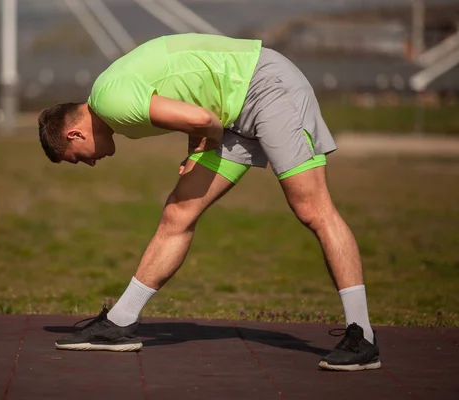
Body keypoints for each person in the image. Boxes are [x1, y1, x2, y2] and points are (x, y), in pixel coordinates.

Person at [37, 33, 380, 371]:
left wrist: (205, 144)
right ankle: (119, 323)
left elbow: (203, 120)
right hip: (231, 111)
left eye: (78, 158)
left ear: (75, 134)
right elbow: (194, 99)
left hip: (268, 88)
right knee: (178, 213)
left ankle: (361, 336)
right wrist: (199, 145)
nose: (90, 163)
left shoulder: (112, 103)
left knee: (312, 209)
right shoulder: (108, 97)